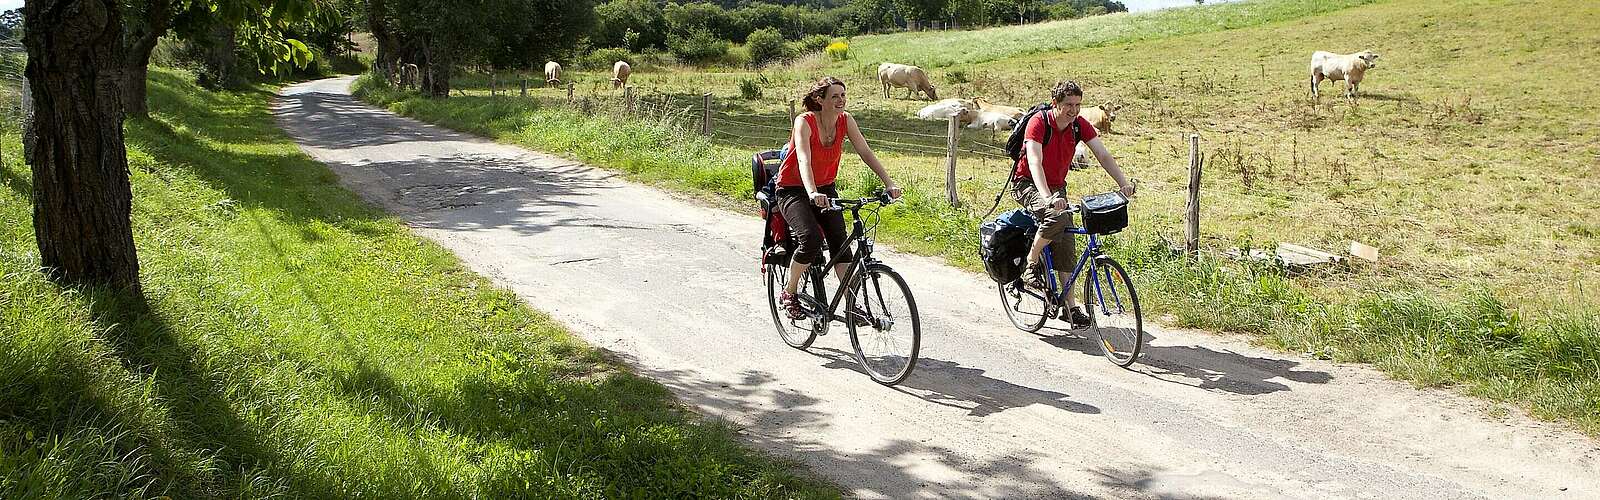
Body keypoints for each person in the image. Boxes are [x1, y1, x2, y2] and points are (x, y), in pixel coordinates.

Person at [777, 76, 903, 320]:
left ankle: (850, 303)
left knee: (841, 244)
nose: (841, 100)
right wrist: (812, 192)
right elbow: (803, 158)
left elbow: (865, 151)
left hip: (825, 188)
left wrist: (889, 183)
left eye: (843, 95)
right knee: (810, 239)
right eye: (835, 96)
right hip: (793, 189)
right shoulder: (804, 121)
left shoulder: (846, 121)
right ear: (819, 99)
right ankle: (789, 292)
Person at [1013, 80, 1136, 327]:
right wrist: (1047, 197)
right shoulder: (1039, 123)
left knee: (1066, 241)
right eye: (1068, 104)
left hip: (1057, 187)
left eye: (1078, 105)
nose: (1074, 110)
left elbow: (1102, 155)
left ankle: (1070, 308)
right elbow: (1035, 161)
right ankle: (1031, 263)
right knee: (1057, 218)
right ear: (1055, 103)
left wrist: (1123, 183)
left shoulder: (1078, 125)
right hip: (1028, 183)